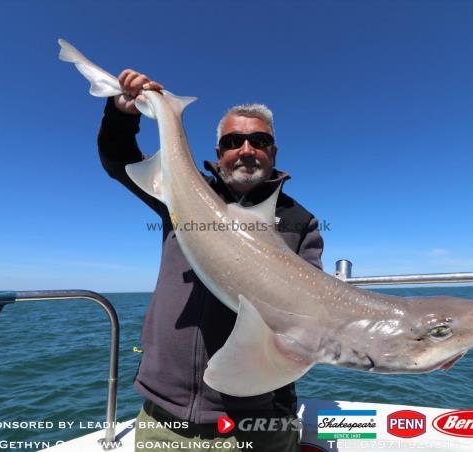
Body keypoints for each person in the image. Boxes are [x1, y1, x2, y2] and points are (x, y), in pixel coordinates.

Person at [97, 69, 324, 452]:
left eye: (259, 140)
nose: (246, 150)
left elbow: (316, 307)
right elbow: (119, 162)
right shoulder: (179, 195)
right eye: (233, 141)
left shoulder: (299, 220)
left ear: (273, 151)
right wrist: (123, 113)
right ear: (219, 154)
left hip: (260, 416)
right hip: (165, 413)